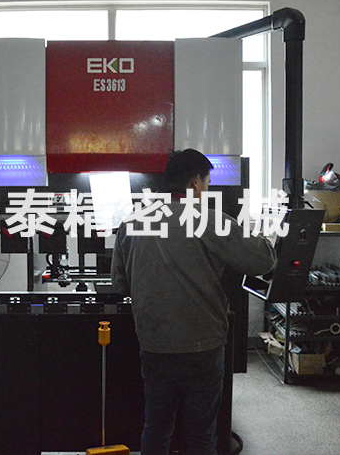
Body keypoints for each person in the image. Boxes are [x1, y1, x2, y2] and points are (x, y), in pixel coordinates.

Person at [111, 148, 277, 455]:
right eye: (208, 183)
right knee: (201, 433)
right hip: (202, 345)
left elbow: (120, 284)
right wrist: (264, 239)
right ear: (195, 183)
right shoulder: (210, 220)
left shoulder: (131, 222)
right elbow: (263, 261)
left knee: (156, 427)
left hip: (154, 344)